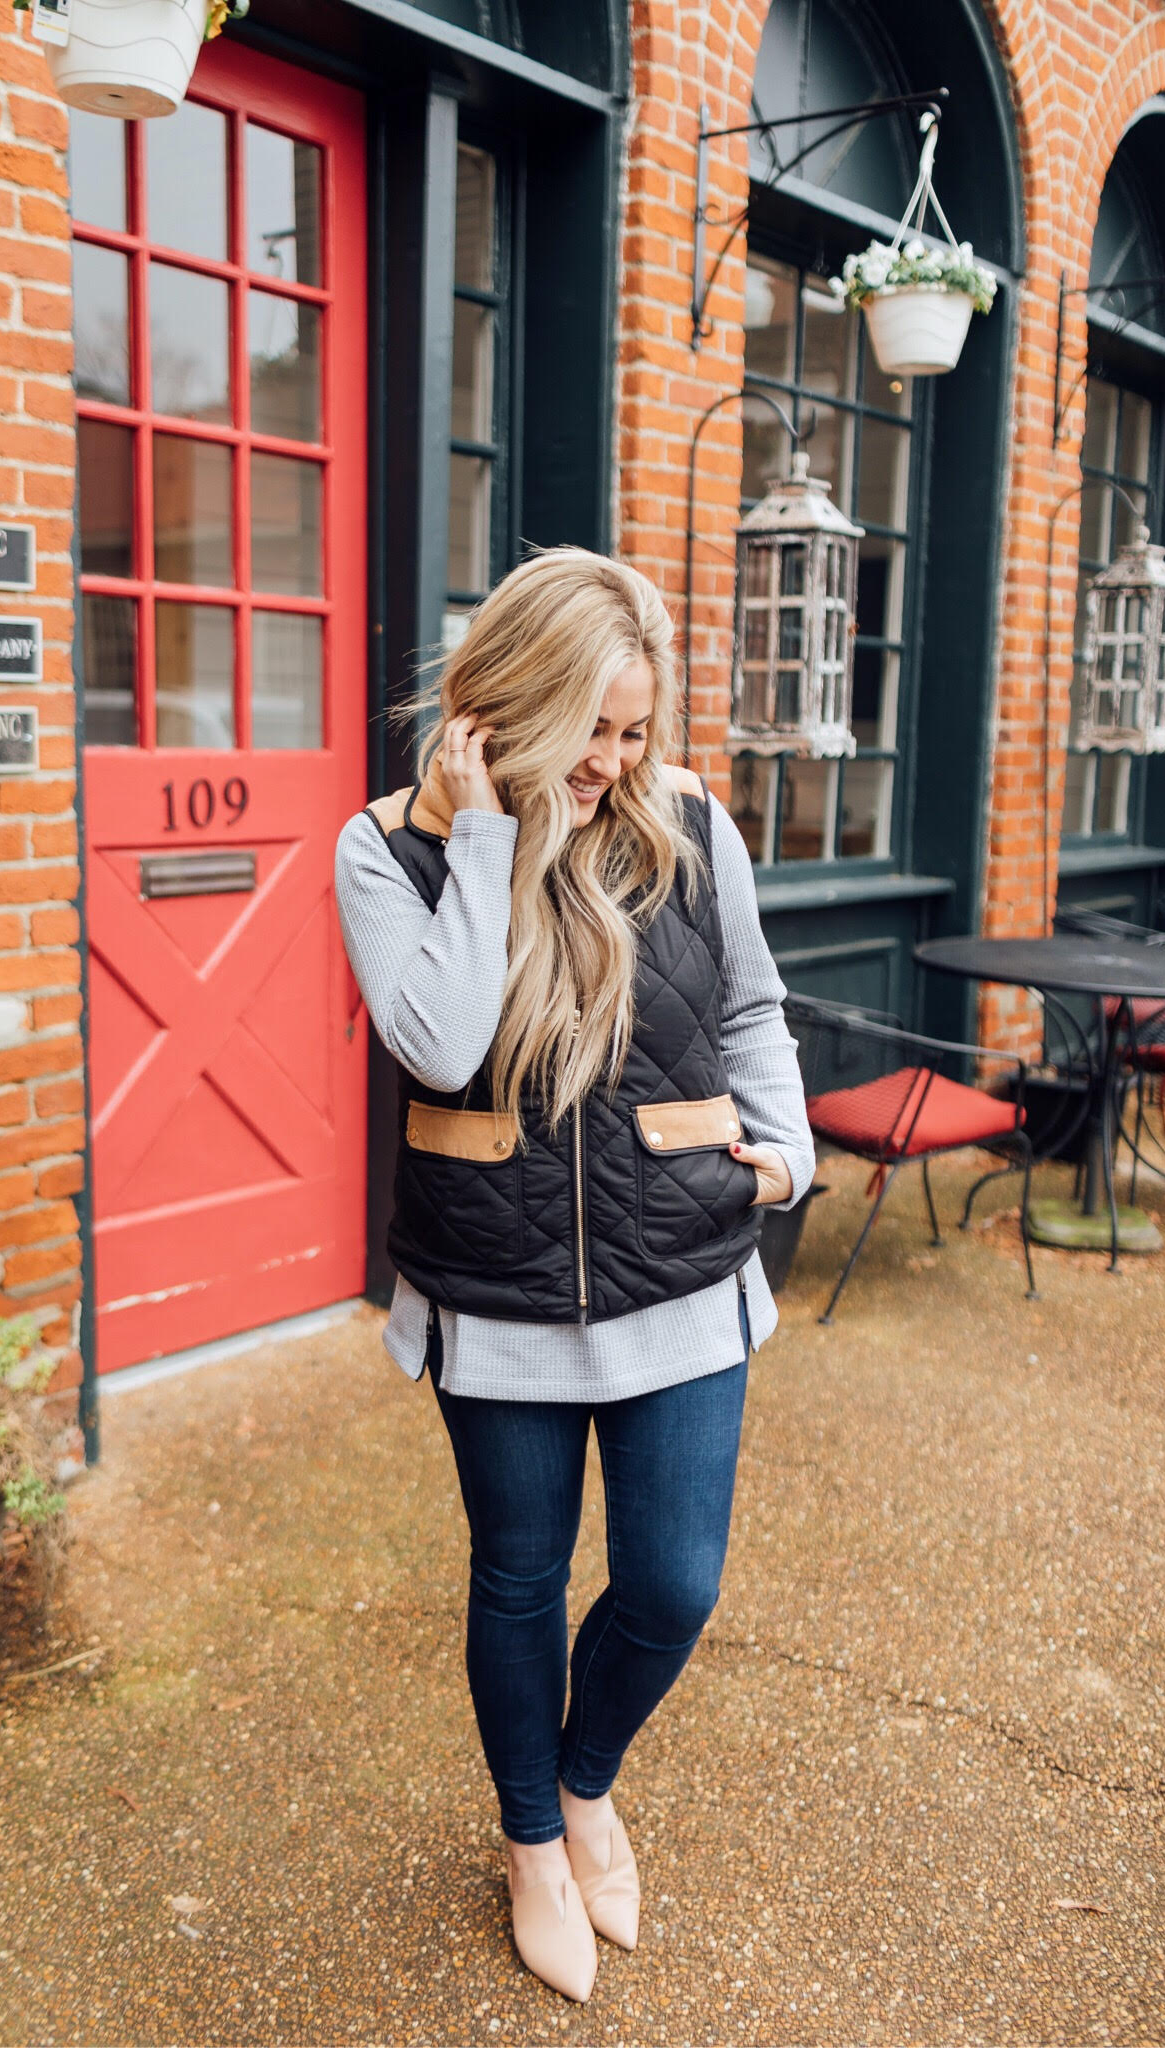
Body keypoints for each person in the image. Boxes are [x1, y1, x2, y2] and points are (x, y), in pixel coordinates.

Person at [335, 548, 814, 2003]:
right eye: (586, 726)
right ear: (508, 704)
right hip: (497, 1299)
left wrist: (784, 1153)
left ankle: (585, 1778)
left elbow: (746, 1002)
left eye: (630, 730)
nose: (610, 760)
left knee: (671, 1585)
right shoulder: (389, 848)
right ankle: (533, 1840)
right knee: (520, 1585)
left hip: (682, 1270)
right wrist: (484, 837)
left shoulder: (683, 824)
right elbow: (433, 1040)